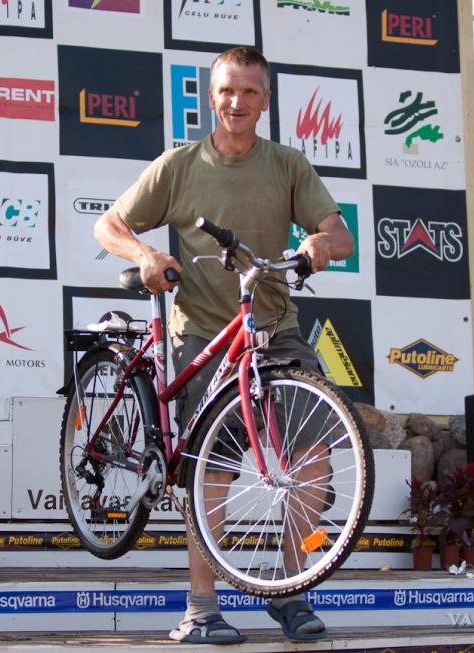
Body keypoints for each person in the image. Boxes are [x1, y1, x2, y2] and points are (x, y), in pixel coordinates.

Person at [94, 47, 354, 644]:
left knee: (313, 457)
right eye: (227, 91)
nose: (238, 102)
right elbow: (108, 224)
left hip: (276, 331)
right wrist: (146, 253)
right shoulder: (179, 165)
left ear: (266, 101)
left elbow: (339, 234)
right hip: (203, 333)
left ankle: (290, 589)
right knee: (207, 469)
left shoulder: (287, 164)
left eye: (250, 92)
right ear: (211, 98)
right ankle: (201, 609)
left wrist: (320, 242)